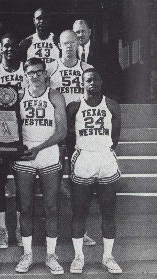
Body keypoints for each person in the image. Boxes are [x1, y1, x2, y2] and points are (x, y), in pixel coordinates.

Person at [13, 58, 67, 274]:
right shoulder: (18, 96)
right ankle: (27, 254)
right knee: (25, 207)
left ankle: (51, 255)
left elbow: (62, 131)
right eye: (30, 73)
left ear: (46, 74)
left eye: (38, 72)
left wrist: (39, 147)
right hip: (25, 155)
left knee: (51, 207)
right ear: (25, 76)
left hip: (47, 152)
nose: (34, 76)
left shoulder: (54, 95)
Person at [66, 68, 122, 274]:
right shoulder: (74, 107)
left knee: (108, 212)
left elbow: (115, 137)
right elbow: (70, 139)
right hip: (83, 159)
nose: (93, 83)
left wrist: (104, 151)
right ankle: (78, 257)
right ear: (83, 83)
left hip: (105, 158)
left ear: (101, 82)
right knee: (79, 212)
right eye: (88, 80)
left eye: (96, 80)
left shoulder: (112, 105)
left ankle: (108, 257)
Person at [49, 30, 96, 246]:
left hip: (79, 130)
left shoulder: (87, 70)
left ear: (79, 43)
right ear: (59, 45)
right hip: (57, 130)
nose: (69, 46)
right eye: (65, 43)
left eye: (72, 42)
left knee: (80, 181)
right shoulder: (50, 69)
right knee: (54, 181)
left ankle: (81, 230)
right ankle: (54, 230)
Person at [0, 33, 27, 248]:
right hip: (1, 136)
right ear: (0, 49)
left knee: (21, 186)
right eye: (6, 46)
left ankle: (20, 229)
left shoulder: (26, 72)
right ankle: (2, 231)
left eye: (13, 46)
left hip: (23, 135)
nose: (10, 49)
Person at [72, 20, 123, 102]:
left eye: (83, 31)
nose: (81, 35)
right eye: (77, 32)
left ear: (89, 32)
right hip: (76, 99)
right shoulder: (69, 53)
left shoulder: (104, 50)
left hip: (100, 99)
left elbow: (116, 76)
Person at [19, 8, 60, 74]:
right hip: (35, 80)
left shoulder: (58, 41)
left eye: (45, 18)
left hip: (55, 80)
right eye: (39, 18)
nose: (42, 21)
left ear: (49, 20)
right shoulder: (26, 43)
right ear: (34, 21)